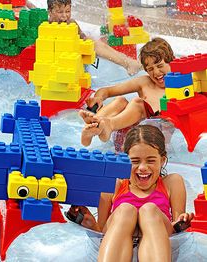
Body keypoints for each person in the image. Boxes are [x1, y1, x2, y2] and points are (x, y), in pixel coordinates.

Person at [66, 124, 194, 261]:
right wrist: (91, 224)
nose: (143, 167)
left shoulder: (172, 183)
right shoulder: (113, 184)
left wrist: (182, 221)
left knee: (149, 210)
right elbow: (103, 231)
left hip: (158, 243)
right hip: (119, 247)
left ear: (162, 160)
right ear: (125, 160)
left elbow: (176, 230)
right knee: (126, 209)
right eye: (135, 161)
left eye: (151, 161)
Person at [79, 37, 175, 147]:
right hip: (125, 139)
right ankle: (92, 127)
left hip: (148, 146)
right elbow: (106, 90)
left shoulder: (182, 89)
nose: (156, 72)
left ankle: (104, 125)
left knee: (138, 103)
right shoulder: (144, 83)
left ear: (172, 61)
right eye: (150, 69)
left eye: (160, 66)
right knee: (120, 101)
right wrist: (98, 98)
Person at [26, 0, 141, 75]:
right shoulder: (45, 25)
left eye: (68, 11)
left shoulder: (72, 23)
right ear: (50, 12)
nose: (64, 15)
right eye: (60, 12)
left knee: (93, 41)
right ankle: (128, 62)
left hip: (73, 60)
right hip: (56, 62)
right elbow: (34, 11)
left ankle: (128, 62)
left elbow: (84, 40)